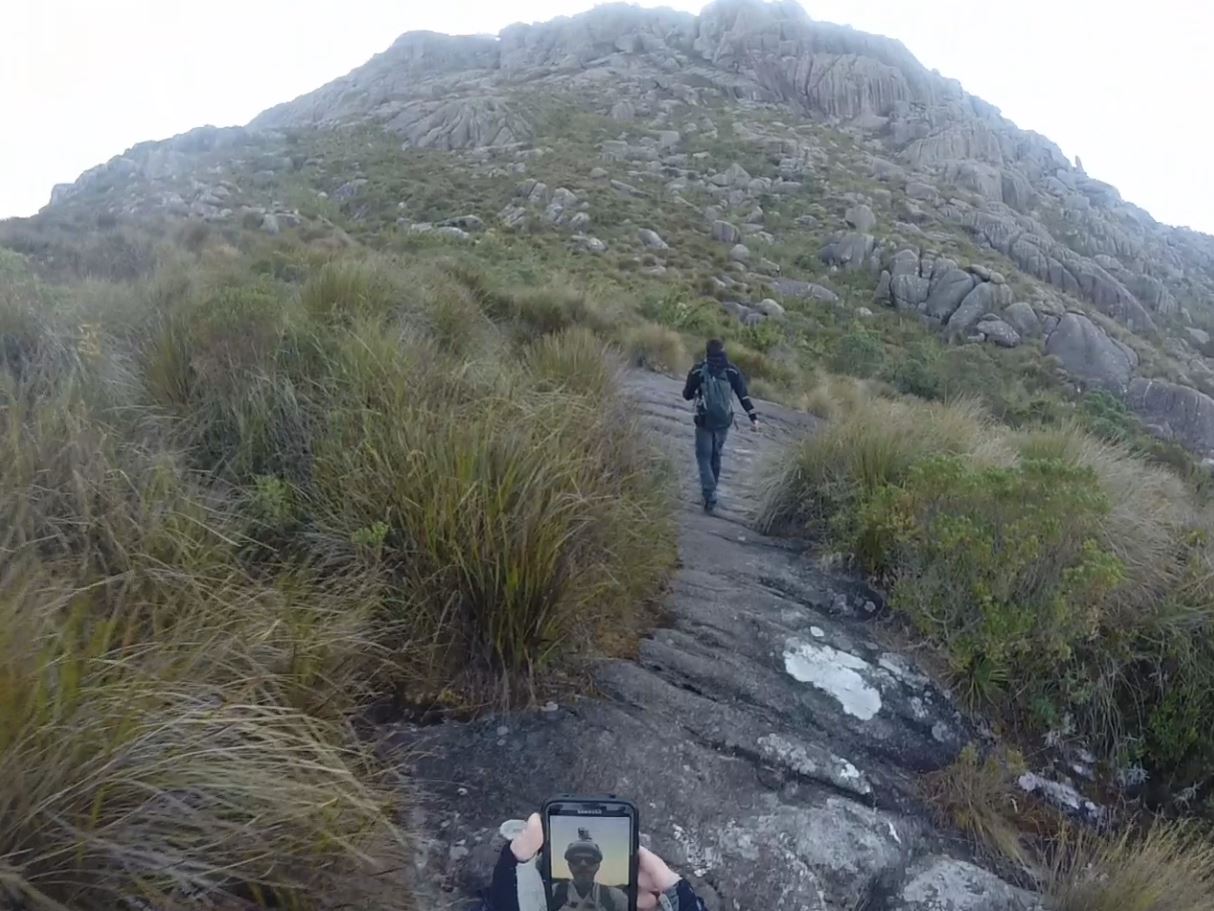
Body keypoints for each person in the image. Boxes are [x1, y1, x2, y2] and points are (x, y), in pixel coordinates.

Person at [484, 813, 708, 911]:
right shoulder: (552, 892)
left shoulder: (617, 898)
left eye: (589, 860)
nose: (582, 865)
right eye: (576, 859)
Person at [682, 339, 759, 513]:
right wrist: (753, 418)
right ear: (724, 351)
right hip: (724, 423)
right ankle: (712, 489)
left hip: (704, 421)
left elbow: (686, 394)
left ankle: (710, 495)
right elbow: (743, 395)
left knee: (703, 458)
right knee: (716, 456)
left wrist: (695, 391)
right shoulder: (732, 370)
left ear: (707, 352)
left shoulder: (698, 370)